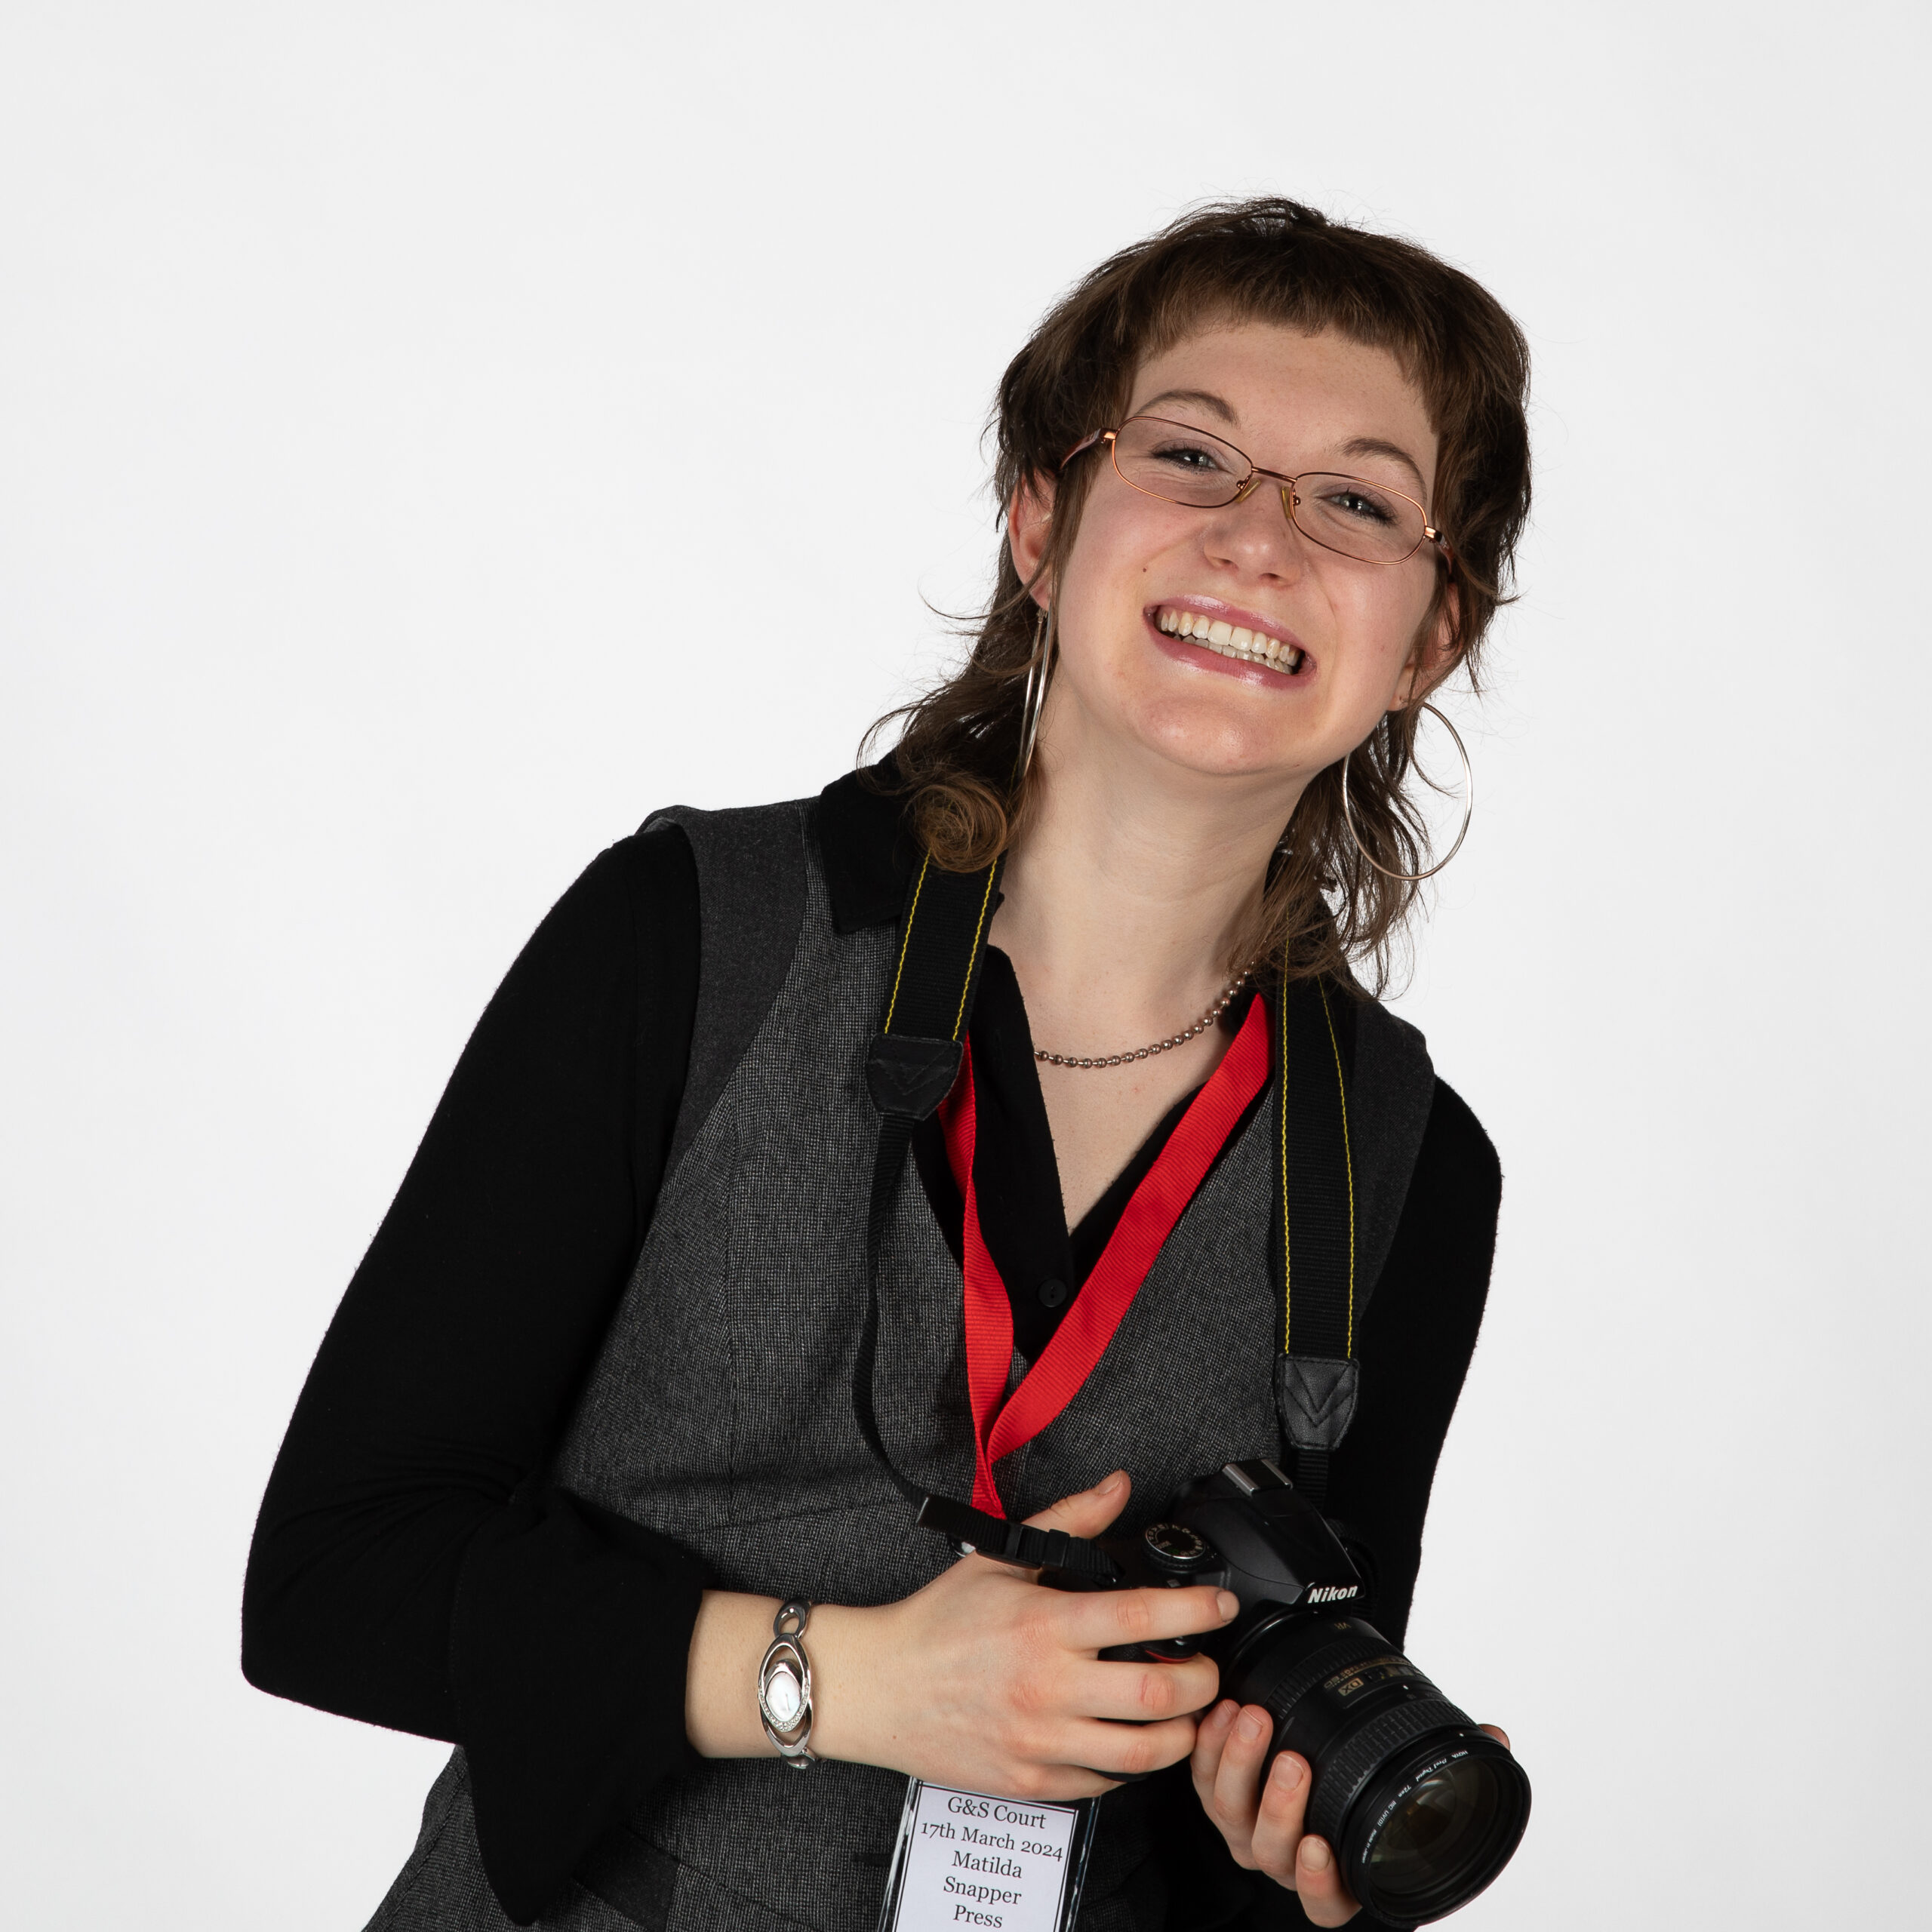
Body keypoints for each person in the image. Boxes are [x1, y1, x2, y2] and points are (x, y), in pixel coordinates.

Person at [243, 197, 1532, 1932]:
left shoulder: (1406, 1161)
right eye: (1190, 454)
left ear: (1427, 633)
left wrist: (1281, 1844)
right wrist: (839, 1679)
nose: (1256, 538)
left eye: (1355, 501)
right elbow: (332, 1579)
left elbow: (1248, 1832)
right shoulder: (691, 939)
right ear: (1041, 520)